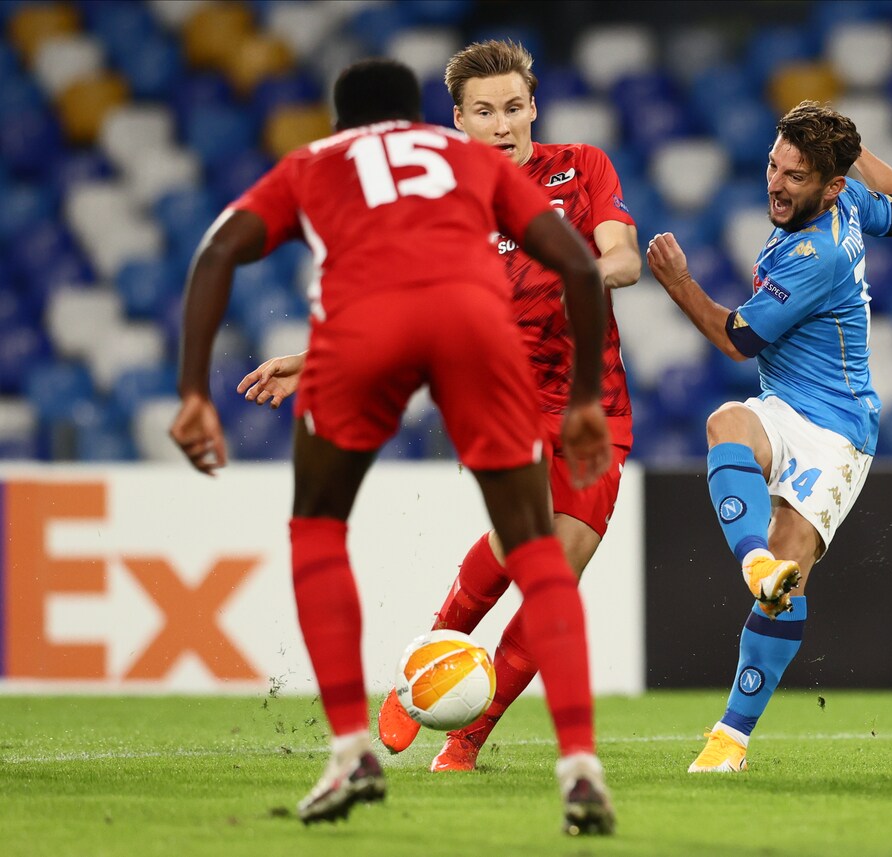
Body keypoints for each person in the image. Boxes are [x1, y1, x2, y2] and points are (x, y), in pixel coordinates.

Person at [169, 58, 616, 835]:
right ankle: (579, 766)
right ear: (428, 119)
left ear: (341, 124)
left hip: (363, 327)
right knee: (534, 546)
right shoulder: (466, 163)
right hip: (477, 331)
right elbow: (579, 264)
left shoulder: (316, 161)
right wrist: (585, 401)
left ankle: (350, 752)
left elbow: (216, 251)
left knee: (317, 524)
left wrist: (192, 391)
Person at [645, 100, 892, 773]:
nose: (775, 183)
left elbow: (737, 340)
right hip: (785, 404)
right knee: (726, 422)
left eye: (795, 175)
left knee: (791, 568)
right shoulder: (850, 200)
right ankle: (753, 561)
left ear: (828, 187)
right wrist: (848, 152)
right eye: (774, 165)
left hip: (839, 431)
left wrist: (679, 282)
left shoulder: (816, 252)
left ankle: (731, 737)